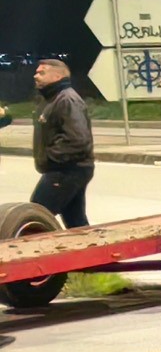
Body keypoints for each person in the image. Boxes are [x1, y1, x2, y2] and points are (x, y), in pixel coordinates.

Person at [27, 57, 93, 229]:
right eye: (36, 72)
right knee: (75, 221)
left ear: (57, 76)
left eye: (42, 72)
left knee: (34, 216)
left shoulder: (67, 100)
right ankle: (90, 253)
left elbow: (78, 140)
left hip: (67, 170)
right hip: (68, 169)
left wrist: (49, 157)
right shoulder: (50, 99)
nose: (36, 75)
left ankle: (33, 253)